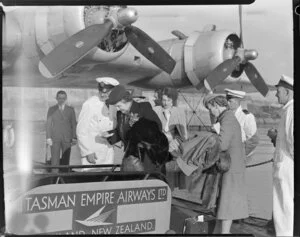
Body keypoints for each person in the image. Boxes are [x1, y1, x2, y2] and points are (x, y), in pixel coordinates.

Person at [204, 94, 248, 234]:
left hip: (231, 168)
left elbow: (222, 144)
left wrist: (207, 142)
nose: (210, 112)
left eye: (210, 108)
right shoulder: (226, 117)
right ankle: (221, 232)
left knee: (226, 204)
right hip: (230, 166)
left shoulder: (227, 118)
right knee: (224, 203)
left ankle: (224, 233)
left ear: (216, 105)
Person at [267, 75, 293, 236]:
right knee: (283, 211)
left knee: (284, 211)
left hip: (287, 169)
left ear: (288, 92)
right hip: (284, 168)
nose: (276, 95)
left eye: (278, 91)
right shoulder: (288, 110)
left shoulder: (291, 110)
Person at [76, 77, 119, 170]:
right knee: (92, 181)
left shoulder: (113, 105)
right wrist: (87, 152)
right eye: (101, 92)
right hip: (93, 153)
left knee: (106, 180)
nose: (103, 94)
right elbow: (81, 130)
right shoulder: (90, 104)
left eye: (106, 92)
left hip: (108, 152)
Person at [104, 84, 162, 153]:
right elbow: (121, 132)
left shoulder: (143, 108)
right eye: (116, 106)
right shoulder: (120, 114)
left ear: (125, 100)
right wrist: (108, 135)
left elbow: (157, 127)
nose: (117, 109)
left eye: (119, 106)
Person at [153, 87, 188, 188]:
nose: (165, 103)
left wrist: (173, 140)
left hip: (173, 147)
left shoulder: (179, 112)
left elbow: (184, 134)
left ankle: (169, 191)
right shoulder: (156, 110)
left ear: (173, 100)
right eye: (163, 100)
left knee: (170, 173)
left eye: (168, 100)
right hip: (159, 146)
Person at [46, 90, 77, 172]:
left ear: (66, 98)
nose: (61, 100)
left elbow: (73, 124)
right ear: (56, 98)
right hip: (55, 138)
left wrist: (74, 137)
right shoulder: (51, 109)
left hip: (67, 139)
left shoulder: (70, 110)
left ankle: (64, 177)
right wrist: (48, 138)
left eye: (63, 98)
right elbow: (48, 124)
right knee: (54, 161)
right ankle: (54, 177)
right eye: (59, 98)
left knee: (65, 160)